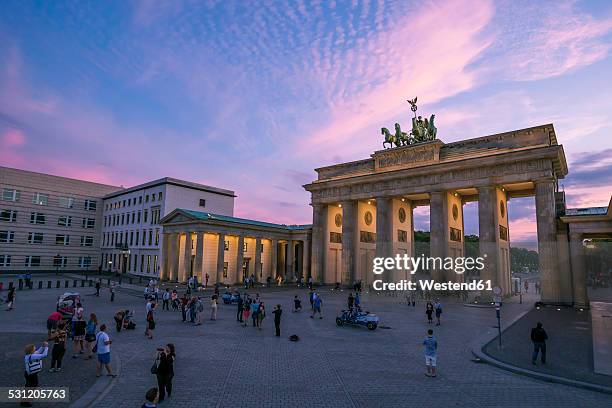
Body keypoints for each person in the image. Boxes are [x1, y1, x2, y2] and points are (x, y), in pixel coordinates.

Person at [21, 342, 49, 407]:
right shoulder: (33, 356)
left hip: (28, 373)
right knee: (32, 386)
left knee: (28, 386)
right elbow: (44, 355)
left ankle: (23, 400)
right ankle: (26, 401)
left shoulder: (28, 355)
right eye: (34, 348)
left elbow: (38, 351)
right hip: (32, 374)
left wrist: (43, 346)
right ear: (31, 350)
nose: (35, 349)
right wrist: (46, 347)